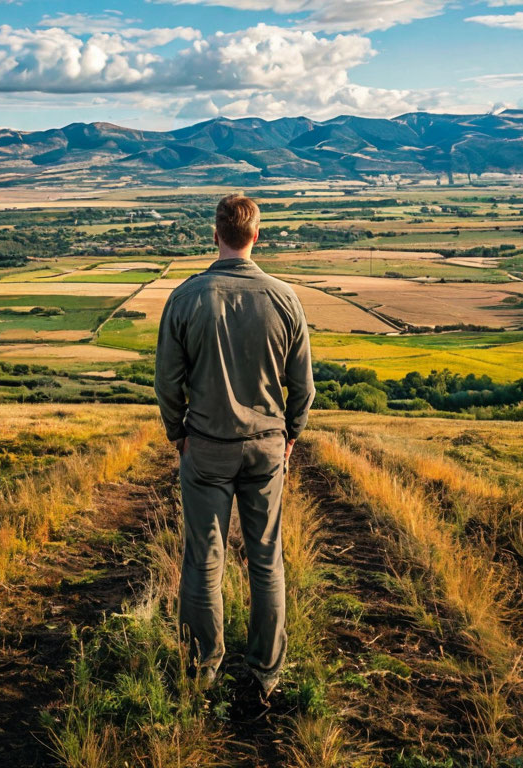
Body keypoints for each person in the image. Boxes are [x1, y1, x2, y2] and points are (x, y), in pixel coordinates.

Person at [154, 193, 315, 699]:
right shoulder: (285, 298)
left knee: (205, 558)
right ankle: (265, 671)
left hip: (204, 446)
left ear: (215, 234)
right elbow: (303, 386)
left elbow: (166, 382)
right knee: (267, 556)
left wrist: (176, 431)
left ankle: (202, 666)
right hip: (266, 446)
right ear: (256, 235)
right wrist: (290, 433)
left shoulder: (185, 298)